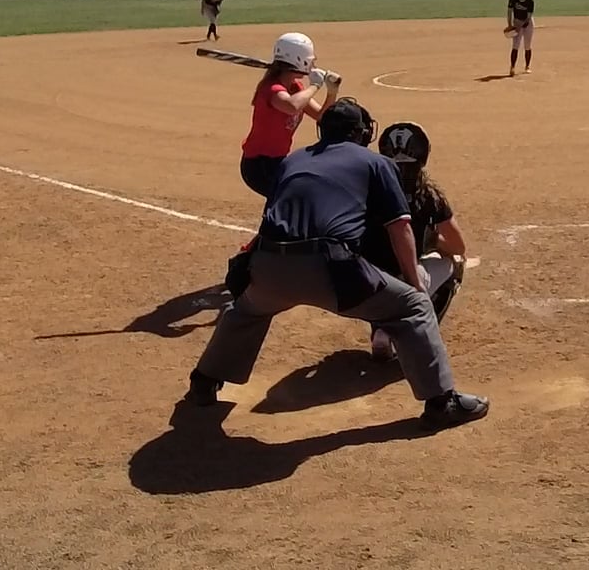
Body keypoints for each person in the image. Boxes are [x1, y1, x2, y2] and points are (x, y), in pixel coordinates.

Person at [186, 99, 490, 430]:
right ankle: (441, 403)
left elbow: (271, 218)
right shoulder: (375, 162)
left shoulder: (293, 160)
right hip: (330, 269)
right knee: (413, 307)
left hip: (270, 264)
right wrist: (414, 286)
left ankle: (204, 381)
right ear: (362, 133)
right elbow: (400, 227)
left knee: (246, 311)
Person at [363, 122, 466, 361]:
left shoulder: (366, 186)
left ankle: (381, 329)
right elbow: (458, 246)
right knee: (454, 262)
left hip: (360, 281)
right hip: (403, 282)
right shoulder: (427, 195)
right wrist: (432, 241)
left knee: (379, 263)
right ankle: (412, 335)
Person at [238, 32, 341, 201]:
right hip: (258, 163)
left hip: (278, 160)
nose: (313, 63)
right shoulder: (272, 89)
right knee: (289, 199)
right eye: (310, 59)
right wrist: (315, 85)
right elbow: (292, 106)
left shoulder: (295, 88)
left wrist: (332, 92)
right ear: (300, 60)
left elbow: (322, 116)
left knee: (289, 199)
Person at [505, 0, 535, 76]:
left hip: (528, 23)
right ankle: (512, 67)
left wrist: (523, 25)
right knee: (515, 45)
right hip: (517, 21)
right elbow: (509, 12)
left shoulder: (530, 1)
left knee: (527, 45)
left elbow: (528, 17)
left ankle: (527, 66)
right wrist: (510, 25)